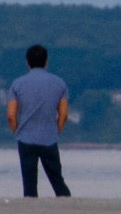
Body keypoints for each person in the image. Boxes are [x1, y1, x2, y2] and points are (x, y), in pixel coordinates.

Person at [6, 44, 72, 198]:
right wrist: (56, 131)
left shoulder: (17, 84)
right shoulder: (59, 83)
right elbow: (63, 115)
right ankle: (67, 208)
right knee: (57, 181)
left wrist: (18, 131)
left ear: (27, 62)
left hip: (26, 139)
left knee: (29, 185)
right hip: (49, 138)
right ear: (46, 61)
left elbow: (11, 115)